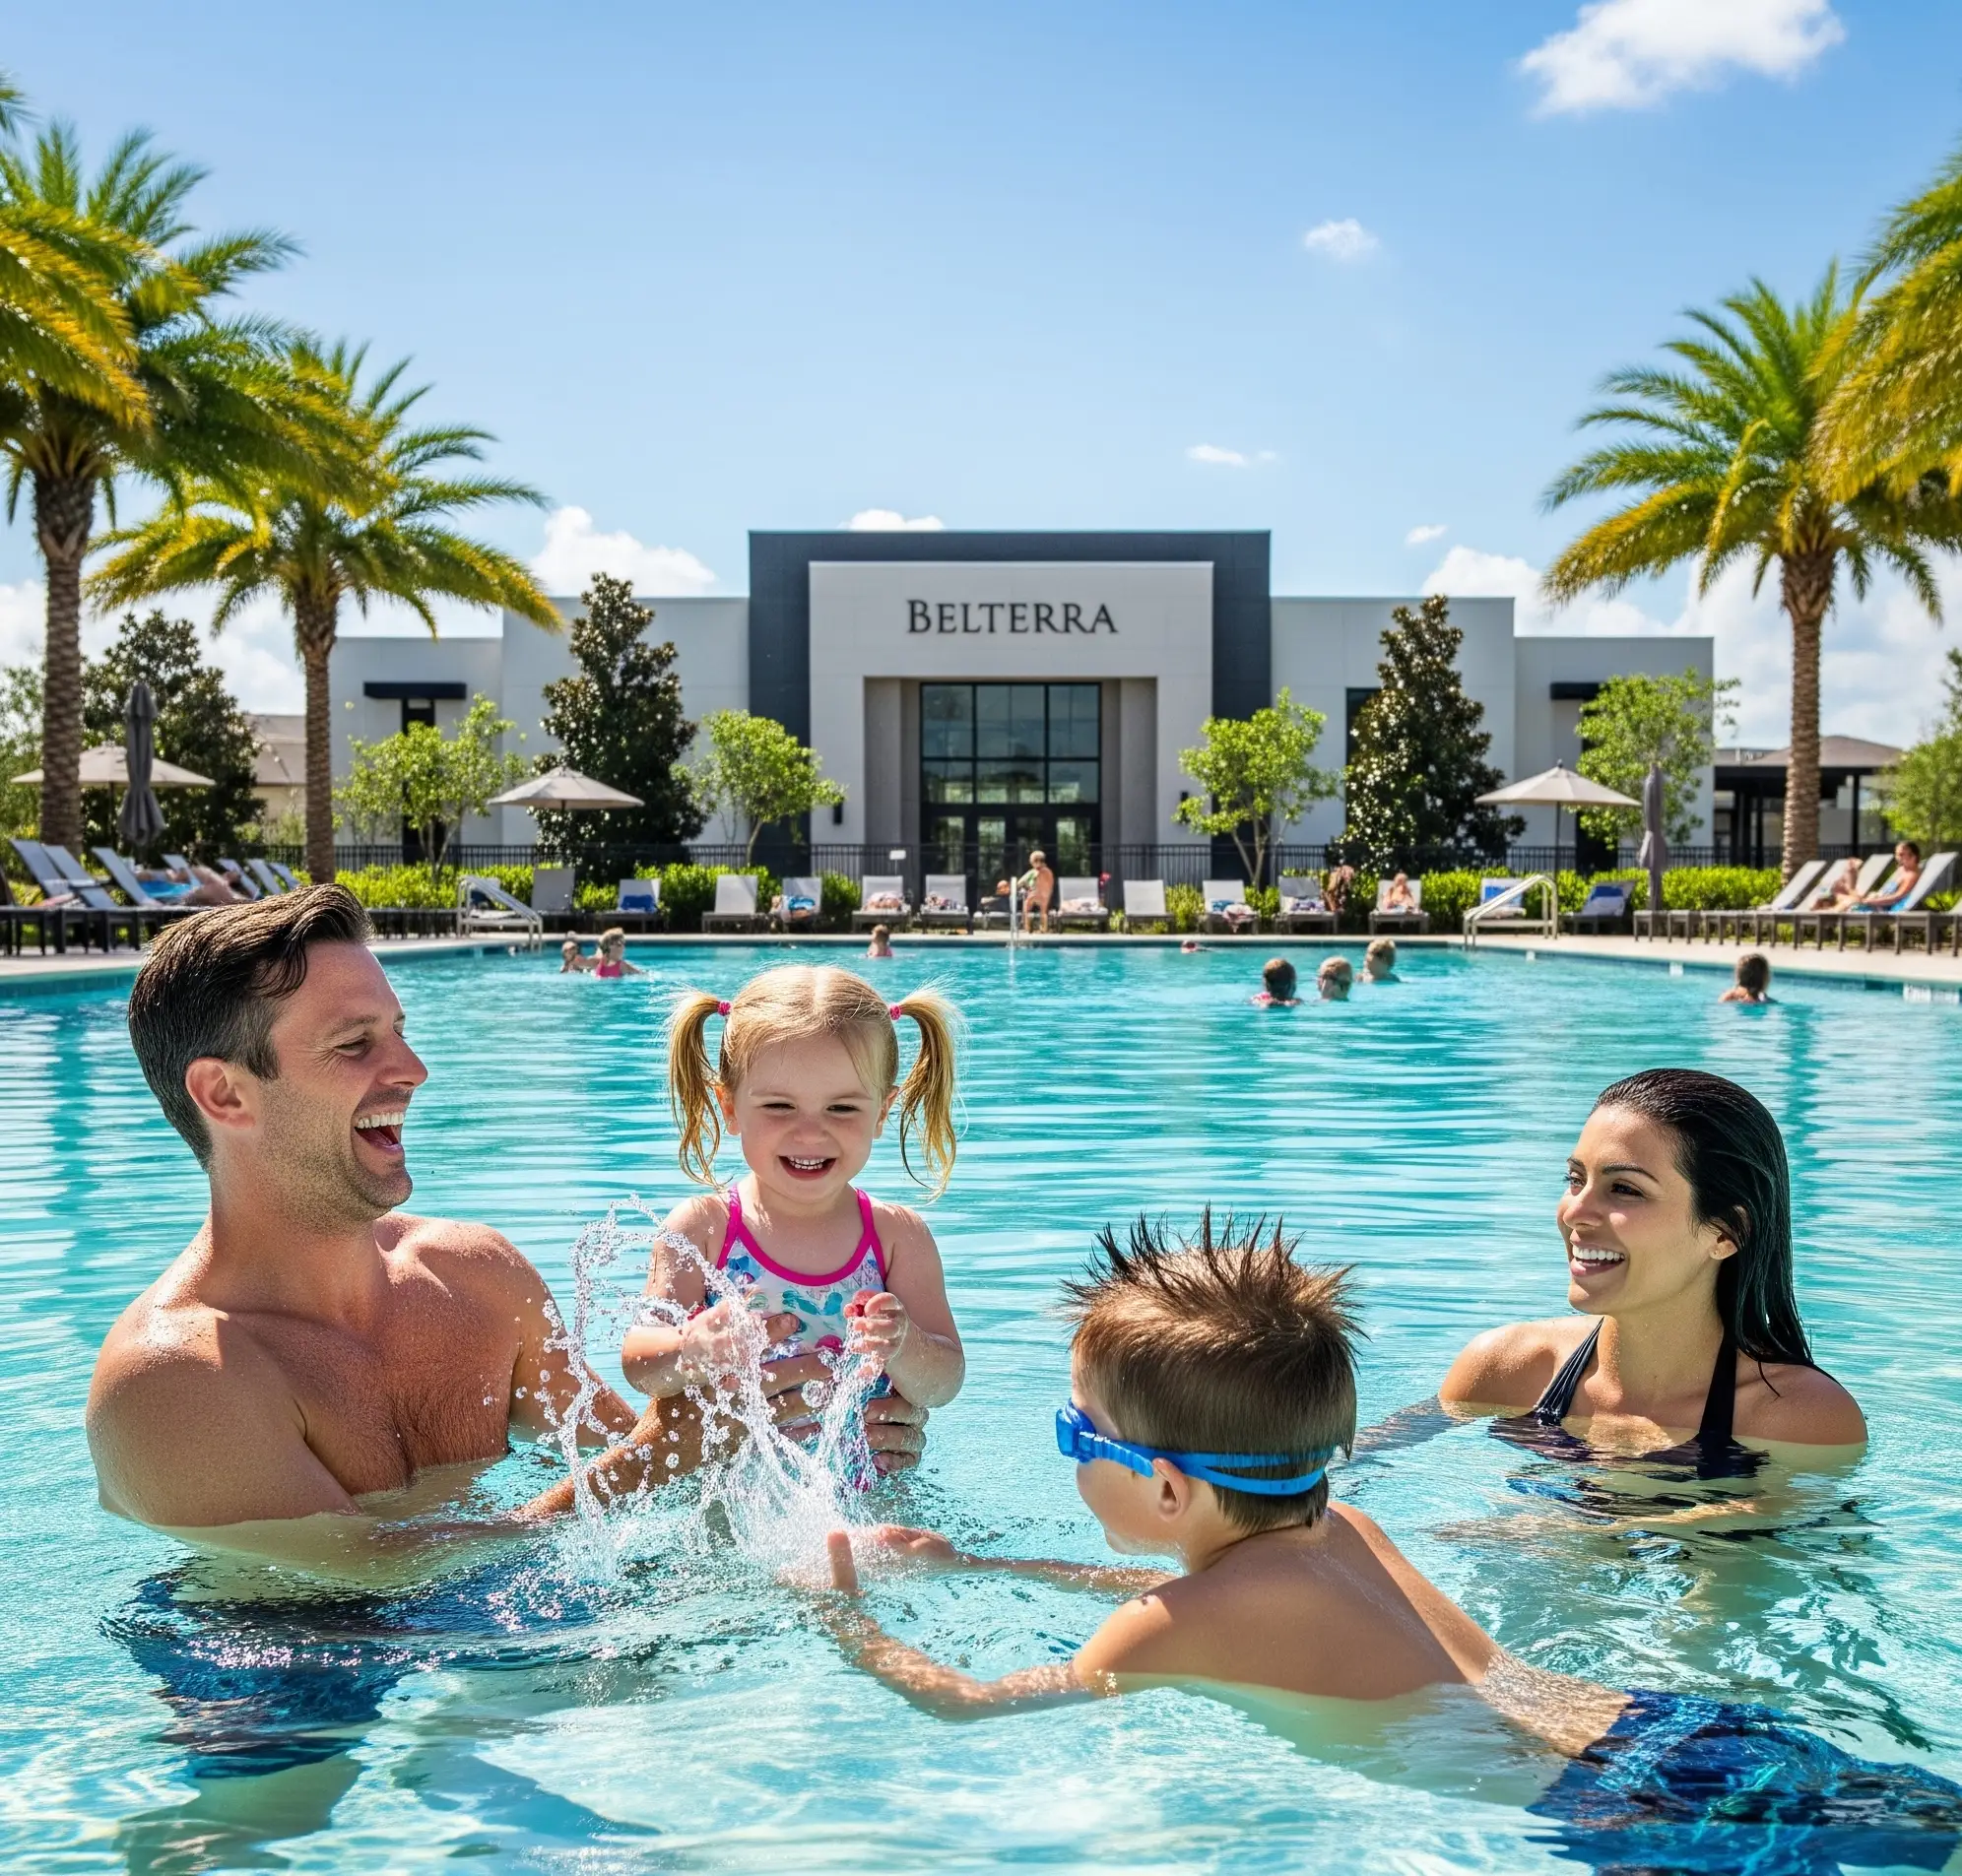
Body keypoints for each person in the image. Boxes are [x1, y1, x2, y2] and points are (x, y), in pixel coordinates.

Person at [817, 1219, 1962, 1871]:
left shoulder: (1164, 1629)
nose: (1068, 1446)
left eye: (1079, 1432)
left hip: (1619, 1809)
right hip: (1663, 1729)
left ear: (1165, 1489)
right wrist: (982, 1562)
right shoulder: (1338, 1524)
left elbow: (963, 1701)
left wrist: (836, 1612)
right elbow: (1222, 1604)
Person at [86, 888, 929, 1559]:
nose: (411, 1070)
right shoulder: (174, 1380)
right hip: (282, 1707)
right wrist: (662, 1457)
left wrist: (806, 1424)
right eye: (355, 1045)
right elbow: (362, 1590)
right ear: (224, 1094)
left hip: (505, 1657)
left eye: (400, 1033)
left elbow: (649, 1447)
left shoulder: (475, 1277)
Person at [1438, 1069, 1863, 1473]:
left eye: (1625, 1189)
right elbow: (1374, 1467)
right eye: (1575, 1179)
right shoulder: (1508, 1369)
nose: (1576, 1212)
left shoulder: (1797, 1418)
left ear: (1726, 1233)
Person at [622, 966, 966, 1462]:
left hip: (869, 1493)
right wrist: (691, 1347)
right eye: (780, 1106)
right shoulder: (703, 1230)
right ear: (729, 1106)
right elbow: (639, 1364)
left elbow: (945, 1381)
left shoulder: (897, 1237)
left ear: (883, 1112)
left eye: (843, 1109)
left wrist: (905, 1343)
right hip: (730, 1498)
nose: (810, 1134)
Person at [1856, 841, 1923, 910]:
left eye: (1901, 854)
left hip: (1883, 909)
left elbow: (1896, 897)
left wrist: (1868, 901)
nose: (1898, 858)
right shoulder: (1902, 870)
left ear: (1913, 857)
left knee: (1853, 906)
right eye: (1896, 855)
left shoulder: (1911, 876)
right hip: (1880, 902)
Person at [1019, 850, 1056, 935]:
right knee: (1043, 911)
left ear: (1035, 861)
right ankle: (1044, 929)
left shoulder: (1035, 872)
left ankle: (1027, 928)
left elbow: (1020, 882)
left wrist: (1027, 886)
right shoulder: (1049, 871)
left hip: (1036, 894)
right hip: (1047, 896)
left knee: (1026, 906)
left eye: (1032, 862)